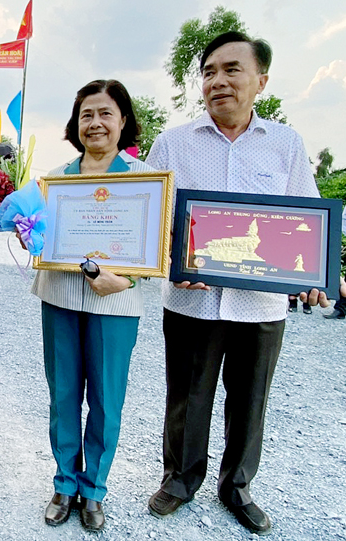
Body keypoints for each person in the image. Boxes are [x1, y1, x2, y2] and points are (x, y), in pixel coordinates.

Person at [145, 31, 328, 535]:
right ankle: (180, 480)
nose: (218, 81)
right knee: (187, 396)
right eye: (209, 72)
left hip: (261, 305)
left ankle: (238, 486)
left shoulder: (286, 145)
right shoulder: (173, 143)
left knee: (250, 400)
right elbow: (150, 219)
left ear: (260, 81)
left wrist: (314, 276)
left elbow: (308, 218)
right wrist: (173, 261)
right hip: (191, 301)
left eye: (231, 70)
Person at [28, 80, 151, 532]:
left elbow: (158, 246)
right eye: (86, 115)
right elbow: (40, 237)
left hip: (116, 303)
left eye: (105, 113)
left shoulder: (145, 179)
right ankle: (64, 482)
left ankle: (94, 489)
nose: (95, 123)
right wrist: (29, 233)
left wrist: (128, 278)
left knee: (105, 400)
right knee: (63, 395)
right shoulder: (55, 180)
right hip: (60, 297)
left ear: (123, 121)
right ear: (75, 123)